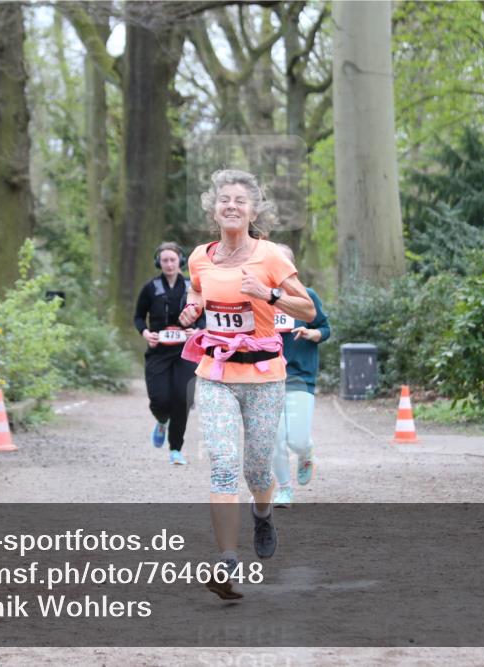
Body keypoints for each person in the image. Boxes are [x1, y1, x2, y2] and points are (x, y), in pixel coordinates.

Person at [178, 169, 316, 600]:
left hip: (264, 376)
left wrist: (269, 295)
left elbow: (308, 310)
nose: (232, 205)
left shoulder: (272, 256)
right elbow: (198, 292)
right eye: (224, 200)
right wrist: (191, 308)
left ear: (253, 210)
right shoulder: (200, 256)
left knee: (256, 468)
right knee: (222, 464)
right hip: (216, 374)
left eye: (240, 200)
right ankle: (226, 561)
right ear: (213, 209)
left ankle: (262, 512)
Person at [270, 244, 331, 508]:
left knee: (296, 439)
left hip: (300, 376)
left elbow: (324, 328)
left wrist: (313, 333)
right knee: (274, 438)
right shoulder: (261, 298)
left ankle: (305, 453)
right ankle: (284, 488)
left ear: (291, 269)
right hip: (267, 377)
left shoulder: (307, 296)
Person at [133, 242, 204, 464]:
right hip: (158, 352)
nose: (169, 264)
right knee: (159, 398)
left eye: (173, 260)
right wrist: (145, 333)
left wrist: (198, 329)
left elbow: (205, 314)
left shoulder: (191, 287)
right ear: (159, 263)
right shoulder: (151, 288)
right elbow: (138, 317)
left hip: (186, 352)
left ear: (181, 261)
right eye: (165, 260)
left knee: (182, 398)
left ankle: (176, 449)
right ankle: (162, 420)